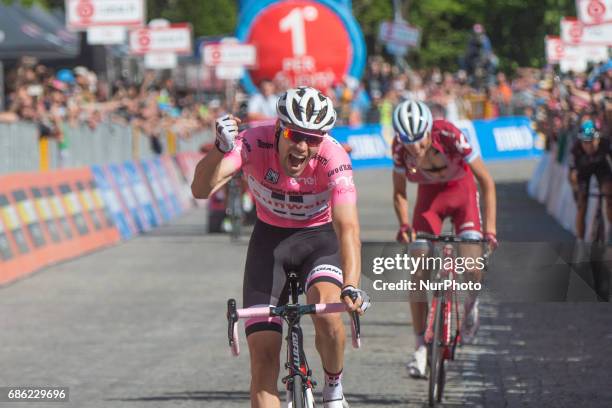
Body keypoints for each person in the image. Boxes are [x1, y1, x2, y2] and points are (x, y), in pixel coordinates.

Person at [192, 86, 370, 408]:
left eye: (313, 139)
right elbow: (201, 189)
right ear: (277, 128)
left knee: (328, 314)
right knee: (262, 359)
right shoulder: (251, 142)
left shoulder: (333, 156)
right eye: (294, 134)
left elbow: (348, 228)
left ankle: (333, 389)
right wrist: (220, 149)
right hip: (269, 243)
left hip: (319, 240)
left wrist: (352, 285)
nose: (302, 147)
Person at [391, 100, 497, 378]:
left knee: (472, 268)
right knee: (418, 268)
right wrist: (404, 224)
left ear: (429, 129)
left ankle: (472, 304)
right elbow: (400, 193)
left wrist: (491, 230)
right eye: (406, 140)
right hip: (430, 201)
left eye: (419, 139)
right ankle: (419, 348)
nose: (413, 147)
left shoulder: (449, 134)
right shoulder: (399, 149)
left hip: (462, 195)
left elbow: (486, 181)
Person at [568, 119, 612, 242]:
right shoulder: (576, 149)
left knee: (609, 194)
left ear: (598, 138)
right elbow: (572, 175)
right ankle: (580, 240)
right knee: (582, 205)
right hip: (583, 173)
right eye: (585, 142)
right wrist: (577, 189)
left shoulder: (606, 144)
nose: (589, 145)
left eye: (592, 141)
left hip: (602, 169)